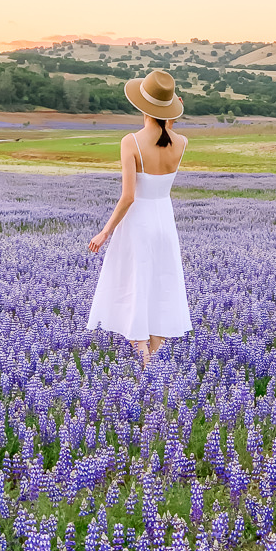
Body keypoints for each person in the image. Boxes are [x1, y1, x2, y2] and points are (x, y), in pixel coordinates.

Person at [86, 70, 193, 369]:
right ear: (170, 109)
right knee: (160, 287)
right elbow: (165, 133)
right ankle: (153, 363)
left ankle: (143, 357)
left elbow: (128, 197)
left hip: (138, 224)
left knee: (134, 285)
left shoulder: (130, 142)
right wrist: (171, 120)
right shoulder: (181, 142)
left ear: (142, 107)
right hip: (165, 223)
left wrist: (105, 232)